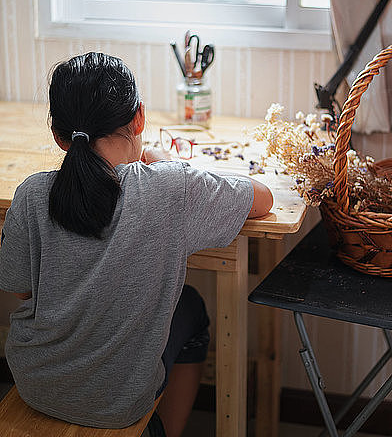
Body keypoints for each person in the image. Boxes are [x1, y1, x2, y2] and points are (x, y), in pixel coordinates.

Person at [0, 52, 273, 437]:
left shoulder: (30, 194)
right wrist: (164, 164)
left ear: (59, 135)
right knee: (191, 306)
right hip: (118, 403)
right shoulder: (171, 187)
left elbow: (21, 289)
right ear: (139, 118)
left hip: (34, 383)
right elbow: (263, 198)